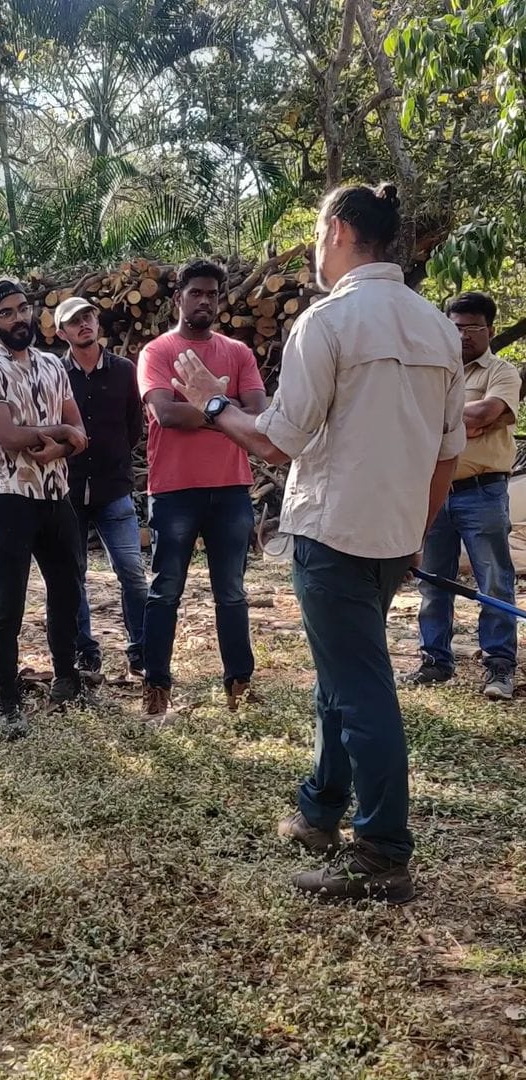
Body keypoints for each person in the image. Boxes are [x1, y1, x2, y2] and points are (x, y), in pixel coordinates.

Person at [170, 183, 465, 904]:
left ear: (336, 230)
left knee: (361, 690)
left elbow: (277, 441)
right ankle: (319, 809)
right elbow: (447, 456)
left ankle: (383, 852)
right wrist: (415, 535)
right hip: (393, 535)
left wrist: (213, 400)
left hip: (334, 537)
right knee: (341, 678)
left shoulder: (327, 322)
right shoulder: (437, 327)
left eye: (313, 232)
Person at [137, 259, 267, 717]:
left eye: (212, 294)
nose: (205, 301)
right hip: (174, 490)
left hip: (231, 488)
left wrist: (208, 406)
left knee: (231, 591)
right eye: (196, 293)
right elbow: (166, 416)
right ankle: (156, 688)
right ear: (179, 298)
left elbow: (256, 416)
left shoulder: (238, 353)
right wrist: (222, 408)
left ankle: (239, 685)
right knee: (165, 589)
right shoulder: (157, 352)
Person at [0, 278, 88, 736]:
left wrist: (60, 448)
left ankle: (66, 679)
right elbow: (11, 437)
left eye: (24, 309)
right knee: (9, 600)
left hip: (56, 495)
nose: (20, 318)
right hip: (11, 496)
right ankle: (6, 697)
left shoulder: (55, 365)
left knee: (67, 590)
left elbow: (80, 432)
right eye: (8, 313)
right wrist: (62, 434)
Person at [400, 291, 520, 700]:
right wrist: (466, 418)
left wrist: (454, 417)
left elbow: (484, 415)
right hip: (434, 490)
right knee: (433, 579)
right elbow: (457, 420)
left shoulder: (501, 372)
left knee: (494, 581)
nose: (464, 335)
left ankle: (499, 666)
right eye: (456, 327)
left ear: (489, 330)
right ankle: (435, 661)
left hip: (481, 493)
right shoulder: (434, 372)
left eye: (473, 327)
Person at [55, 296, 147, 677]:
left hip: (114, 488)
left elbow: (134, 426)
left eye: (88, 316)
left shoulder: (124, 370)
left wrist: (114, 457)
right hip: (70, 491)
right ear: (61, 333)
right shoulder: (54, 373)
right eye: (74, 321)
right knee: (72, 574)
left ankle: (142, 649)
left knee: (131, 570)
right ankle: (85, 651)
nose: (84, 324)